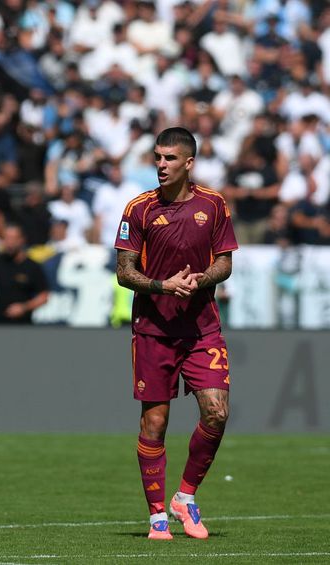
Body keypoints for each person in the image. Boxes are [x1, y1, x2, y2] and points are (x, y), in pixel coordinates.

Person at [114, 127, 238, 540]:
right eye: (157, 157)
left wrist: (201, 279)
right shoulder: (139, 209)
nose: (160, 165)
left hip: (202, 328)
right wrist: (162, 285)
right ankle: (156, 516)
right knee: (155, 423)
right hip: (153, 330)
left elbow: (225, 263)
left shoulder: (214, 205)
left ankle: (185, 497)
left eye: (169, 158)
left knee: (217, 412)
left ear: (189, 162)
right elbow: (124, 272)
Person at [0, 224, 49, 325]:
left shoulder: (32, 266)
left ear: (22, 240)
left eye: (13, 238)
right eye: (6, 238)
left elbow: (44, 296)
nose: (9, 243)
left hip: (22, 325)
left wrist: (24, 307)